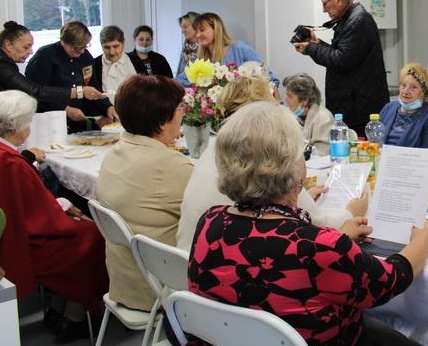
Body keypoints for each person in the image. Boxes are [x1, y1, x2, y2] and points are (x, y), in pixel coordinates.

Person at [188, 101, 428, 346]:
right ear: (291, 168)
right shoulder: (320, 247)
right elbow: (387, 282)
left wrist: (339, 239)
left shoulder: (211, 222)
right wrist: (422, 244)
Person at [177, 75, 367, 250]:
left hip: (192, 261)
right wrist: (351, 213)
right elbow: (320, 225)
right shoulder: (262, 158)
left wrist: (302, 197)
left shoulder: (212, 152)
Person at [0, 90, 107, 343]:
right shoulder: (11, 162)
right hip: (27, 241)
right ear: (18, 127)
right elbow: (40, 214)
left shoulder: (8, 156)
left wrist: (61, 206)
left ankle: (58, 308)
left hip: (17, 230)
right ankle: (74, 316)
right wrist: (66, 212)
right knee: (93, 236)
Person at [96, 75, 193, 312]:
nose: (183, 114)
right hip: (162, 289)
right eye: (180, 108)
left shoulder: (116, 152)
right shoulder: (171, 165)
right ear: (162, 120)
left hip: (126, 281)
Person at [293, 0, 390, 136]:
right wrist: (317, 43)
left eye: (325, 4)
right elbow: (342, 53)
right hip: (355, 105)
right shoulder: (352, 18)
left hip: (359, 110)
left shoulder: (358, 21)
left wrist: (311, 48)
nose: (323, 10)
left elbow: (341, 60)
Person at [25, 21, 118, 133]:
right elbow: (36, 93)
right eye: (76, 47)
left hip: (79, 123)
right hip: (50, 124)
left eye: (84, 46)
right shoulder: (45, 56)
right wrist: (65, 109)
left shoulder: (86, 57)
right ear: (64, 41)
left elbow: (92, 87)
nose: (82, 51)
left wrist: (107, 107)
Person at [0, 20, 105, 103]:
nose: (31, 51)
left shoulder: (6, 64)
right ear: (8, 45)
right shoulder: (3, 66)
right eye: (26, 47)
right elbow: (35, 91)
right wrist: (79, 91)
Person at [176, 12, 280, 96]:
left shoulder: (239, 48)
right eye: (197, 31)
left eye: (202, 30)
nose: (198, 35)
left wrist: (276, 102)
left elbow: (268, 77)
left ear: (216, 29)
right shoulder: (200, 61)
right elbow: (180, 81)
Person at [379, 63, 428, 149]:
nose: (405, 91)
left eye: (413, 87)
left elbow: (426, 152)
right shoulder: (388, 108)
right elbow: (375, 141)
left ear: (424, 92)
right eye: (403, 85)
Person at [282, 72, 337, 156]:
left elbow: (321, 154)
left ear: (304, 101)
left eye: (290, 96)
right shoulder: (298, 116)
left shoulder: (323, 119)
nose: (286, 100)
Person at [90, 25, 137, 99]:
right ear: (101, 45)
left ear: (123, 43)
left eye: (116, 46)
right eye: (107, 47)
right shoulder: (94, 64)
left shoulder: (136, 61)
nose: (112, 52)